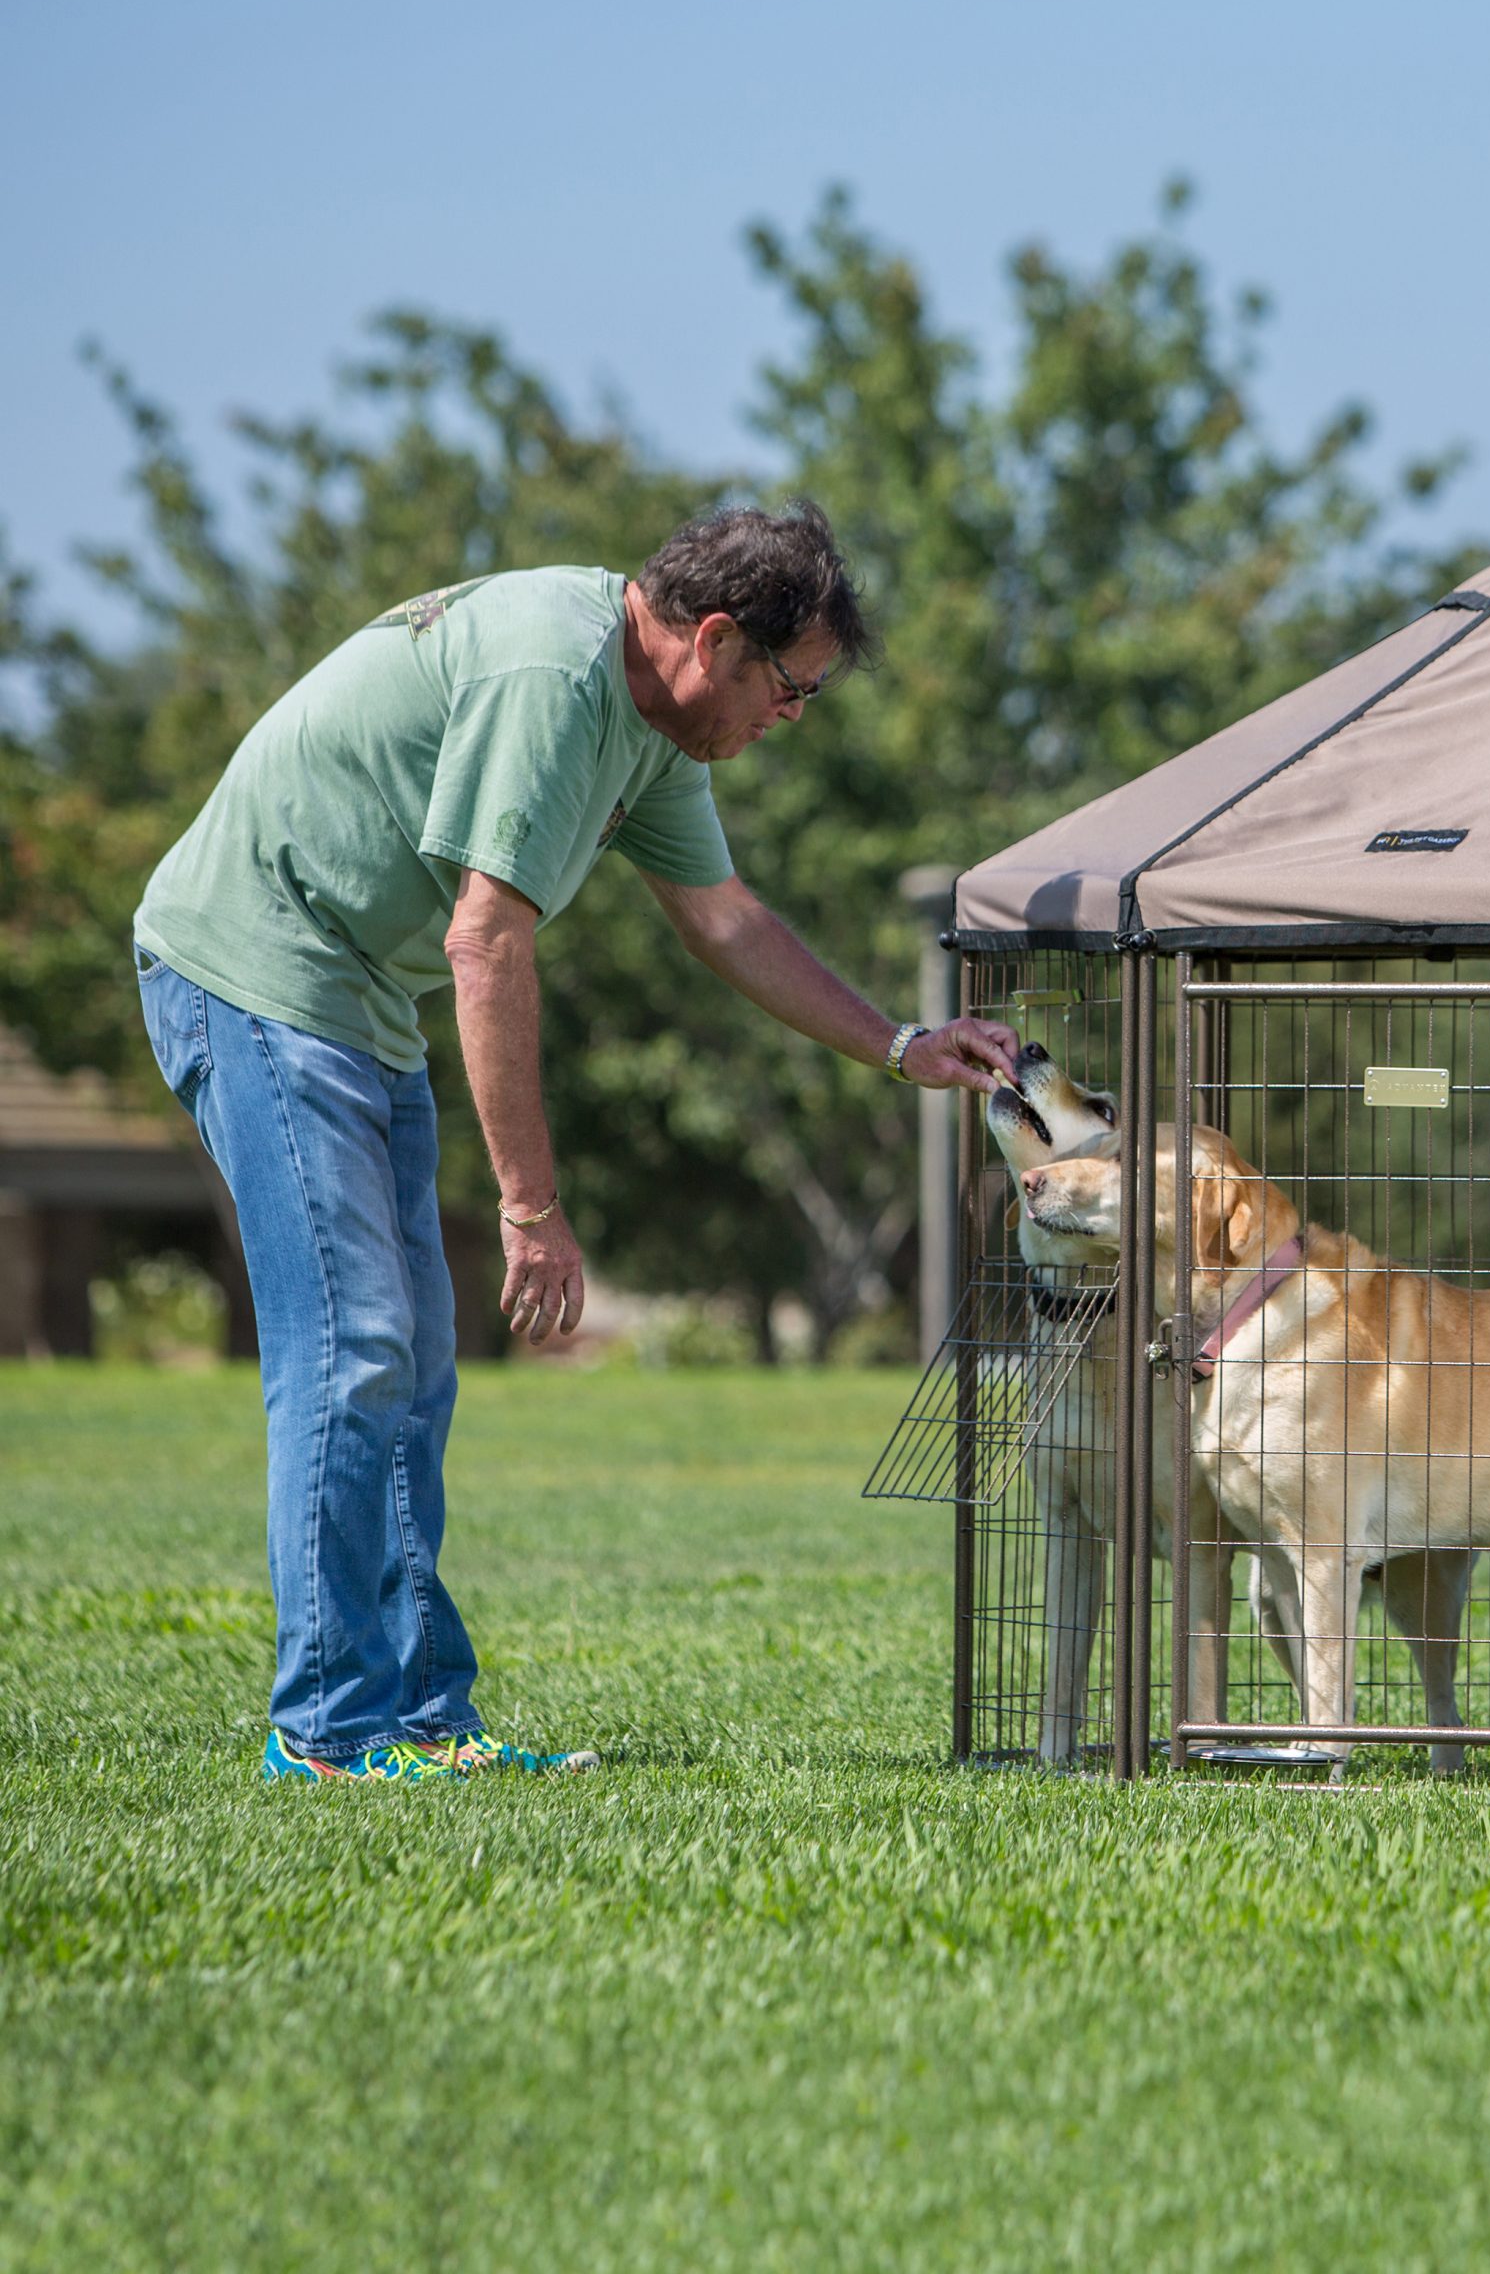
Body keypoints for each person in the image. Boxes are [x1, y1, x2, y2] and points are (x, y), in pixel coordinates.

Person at [131, 501, 1018, 1782]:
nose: (792, 719)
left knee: (417, 1358)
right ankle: (327, 1733)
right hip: (251, 969)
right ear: (716, 640)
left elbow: (725, 921)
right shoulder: (554, 679)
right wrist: (531, 1206)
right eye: (792, 688)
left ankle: (421, 1722)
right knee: (354, 1346)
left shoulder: (657, 729)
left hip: (355, 1002)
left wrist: (895, 1044)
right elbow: (486, 941)